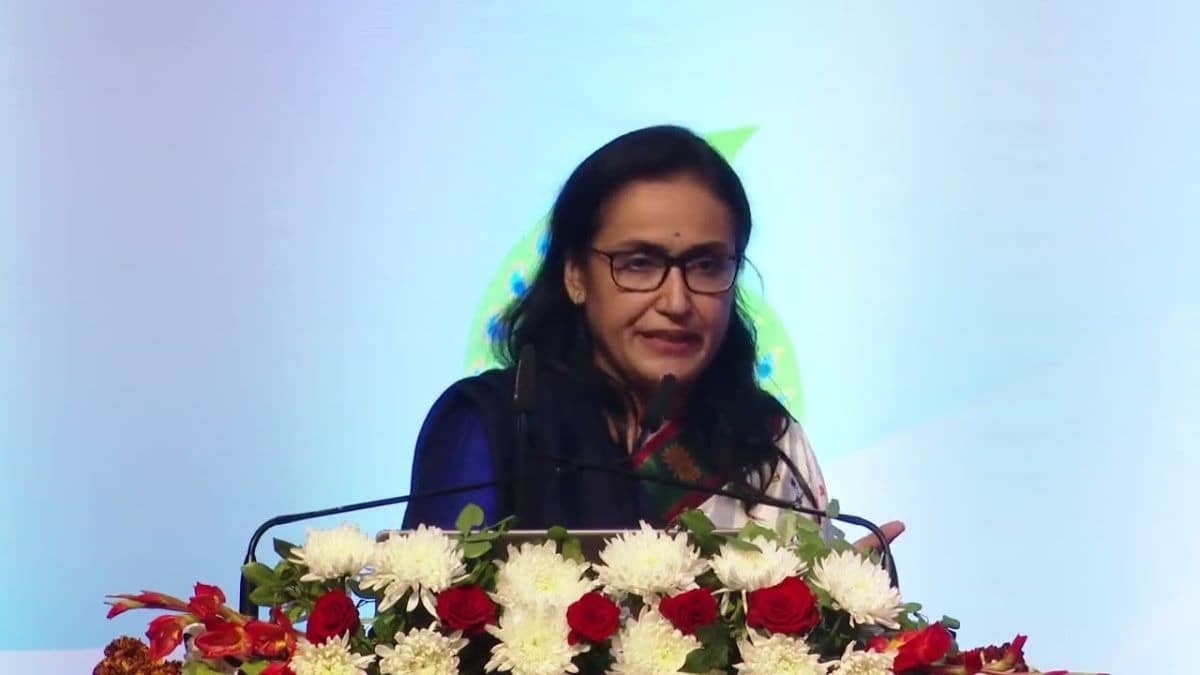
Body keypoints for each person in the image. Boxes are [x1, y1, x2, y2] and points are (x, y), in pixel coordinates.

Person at [402, 125, 902, 548]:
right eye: (639, 263)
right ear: (575, 274)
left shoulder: (769, 446)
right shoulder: (499, 426)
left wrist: (836, 618)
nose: (677, 302)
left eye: (706, 265)